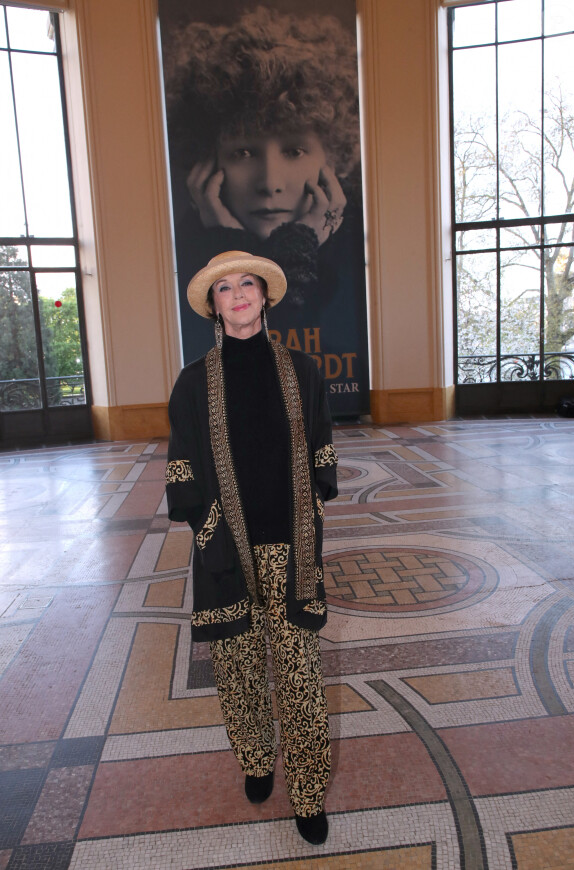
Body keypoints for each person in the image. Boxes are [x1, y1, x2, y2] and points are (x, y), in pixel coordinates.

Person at [165, 250, 338, 845]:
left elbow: (321, 450)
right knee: (238, 673)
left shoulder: (303, 371)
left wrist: (311, 507)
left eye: (247, 285)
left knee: (299, 676)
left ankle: (309, 792)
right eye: (224, 289)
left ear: (265, 297)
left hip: (292, 553)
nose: (237, 295)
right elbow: (181, 470)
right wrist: (209, 531)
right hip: (227, 553)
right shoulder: (192, 383)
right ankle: (258, 763)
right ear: (212, 306)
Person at [162, 7, 365, 340]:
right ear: (207, 164)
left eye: (294, 151)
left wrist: (301, 244)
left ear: (331, 156)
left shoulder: (360, 256)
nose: (270, 184)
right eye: (244, 153)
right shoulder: (180, 260)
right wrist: (229, 245)